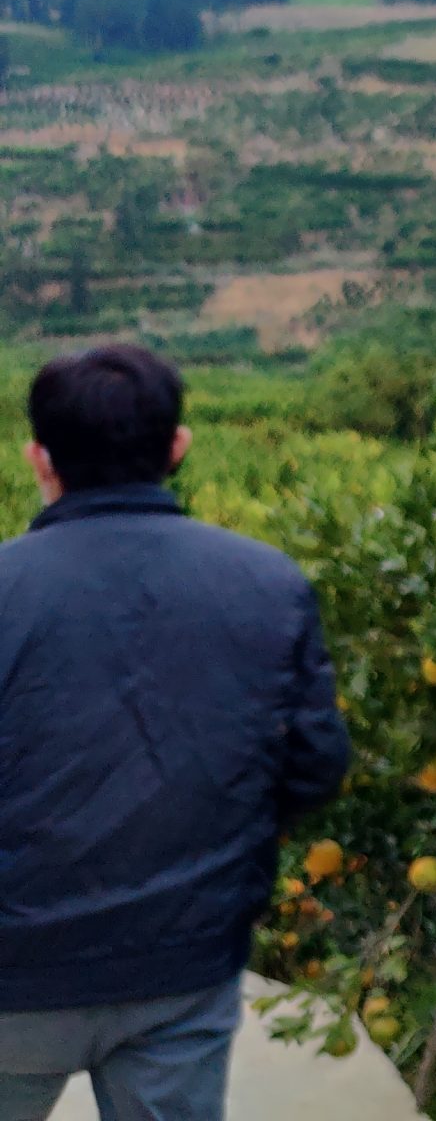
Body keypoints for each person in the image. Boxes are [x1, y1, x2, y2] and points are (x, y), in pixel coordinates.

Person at [0, 345, 350, 1120]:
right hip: (180, 967)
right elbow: (315, 765)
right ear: (178, 448)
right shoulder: (267, 583)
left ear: (39, 458)